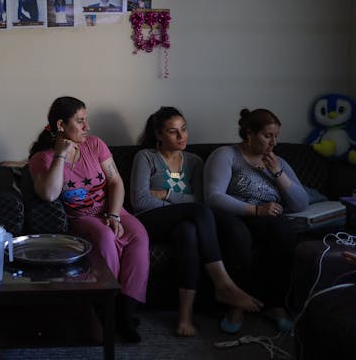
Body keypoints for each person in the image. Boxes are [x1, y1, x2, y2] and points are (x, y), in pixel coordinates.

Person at [130, 107, 262, 336]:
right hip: (149, 222)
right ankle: (223, 284)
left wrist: (165, 195)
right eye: (173, 132)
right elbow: (140, 201)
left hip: (181, 221)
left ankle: (185, 316)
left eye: (184, 129)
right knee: (197, 213)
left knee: (188, 230)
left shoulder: (195, 161)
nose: (182, 137)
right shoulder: (146, 157)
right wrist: (181, 207)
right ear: (159, 135)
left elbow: (200, 198)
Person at [28, 96, 149, 342]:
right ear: (61, 125)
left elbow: (115, 181)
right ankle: (106, 308)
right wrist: (60, 155)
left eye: (86, 120)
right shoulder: (42, 159)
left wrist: (115, 214)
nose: (87, 127)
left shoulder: (95, 145)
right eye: (80, 121)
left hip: (111, 209)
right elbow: (49, 194)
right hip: (81, 218)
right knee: (105, 237)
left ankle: (127, 311)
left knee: (138, 236)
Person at [204, 108, 308, 333]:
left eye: (276, 136)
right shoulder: (226, 155)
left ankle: (276, 305)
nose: (273, 143)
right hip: (233, 214)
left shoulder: (276, 162)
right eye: (267, 135)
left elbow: (301, 203)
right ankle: (235, 304)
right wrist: (257, 210)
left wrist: (278, 173)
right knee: (238, 237)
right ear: (249, 133)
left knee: (284, 234)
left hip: (267, 218)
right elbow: (213, 197)